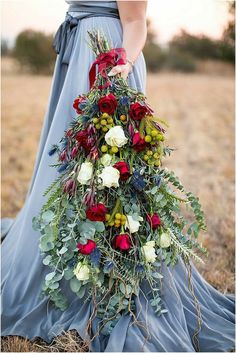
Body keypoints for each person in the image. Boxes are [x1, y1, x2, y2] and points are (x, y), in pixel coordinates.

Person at [1, 1, 235, 352]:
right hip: (76, 57)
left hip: (109, 64)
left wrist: (123, 61)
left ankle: (109, 274)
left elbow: (137, 20)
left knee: (108, 175)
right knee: (65, 170)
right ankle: (61, 262)